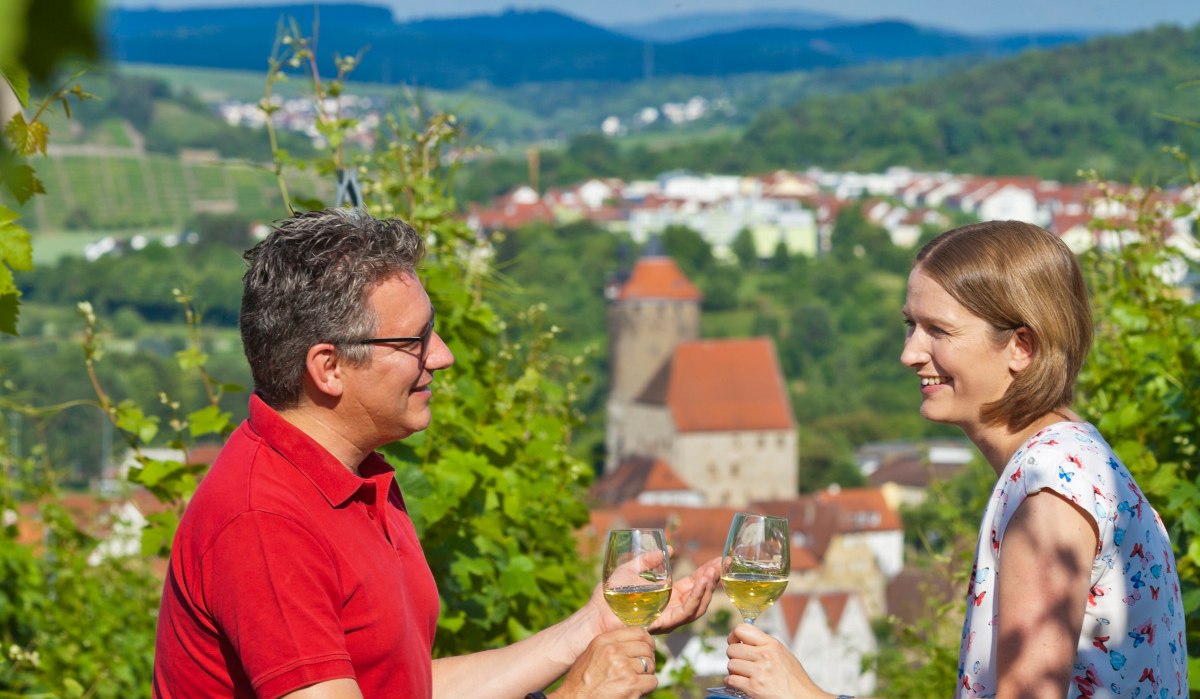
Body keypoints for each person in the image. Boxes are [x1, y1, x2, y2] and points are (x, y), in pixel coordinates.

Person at [152, 207, 720, 698]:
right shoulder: (266, 522)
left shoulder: (350, 478)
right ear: (328, 368)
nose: (442, 356)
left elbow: (405, 688)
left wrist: (590, 626)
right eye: (413, 341)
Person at [719, 220, 1188, 698]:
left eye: (938, 330)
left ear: (1021, 347)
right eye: (911, 325)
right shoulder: (1076, 461)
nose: (910, 353)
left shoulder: (1049, 497)